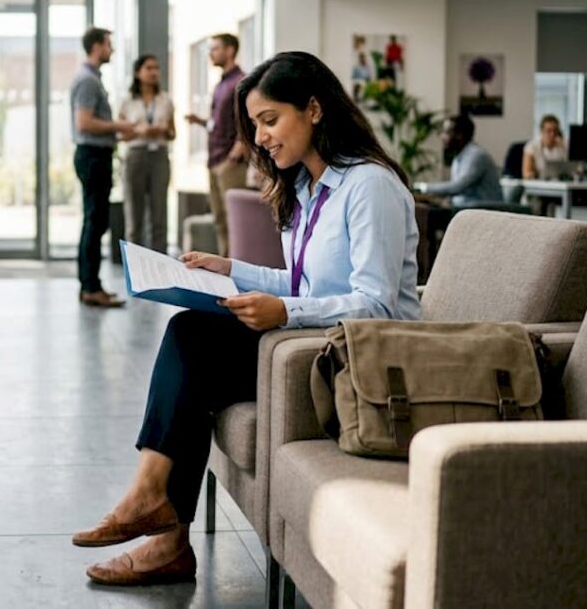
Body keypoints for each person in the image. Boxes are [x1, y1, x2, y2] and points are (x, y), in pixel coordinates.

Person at [72, 51, 420, 586]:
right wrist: (230, 269)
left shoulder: (368, 186)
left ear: (314, 110)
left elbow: (375, 303)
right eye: (255, 125)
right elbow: (305, 284)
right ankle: (159, 521)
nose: (260, 138)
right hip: (315, 342)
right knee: (191, 336)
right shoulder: (305, 189)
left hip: (359, 359)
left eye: (269, 120)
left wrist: (283, 311)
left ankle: (155, 511)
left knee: (193, 344)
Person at [71, 27, 135, 308]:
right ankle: (90, 287)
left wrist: (116, 133)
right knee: (94, 222)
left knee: (95, 221)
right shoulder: (87, 81)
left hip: (97, 154)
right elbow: (84, 123)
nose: (112, 49)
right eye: (109, 44)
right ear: (97, 46)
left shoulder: (92, 79)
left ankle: (91, 284)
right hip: (93, 157)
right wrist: (119, 126)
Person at [185, 34, 247, 257]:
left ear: (230, 51)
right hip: (215, 159)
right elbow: (219, 123)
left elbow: (247, 118)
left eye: (215, 48)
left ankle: (236, 274)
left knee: (234, 223)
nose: (210, 53)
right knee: (220, 221)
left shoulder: (240, 81)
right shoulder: (222, 83)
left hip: (230, 162)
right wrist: (200, 121)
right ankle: (224, 273)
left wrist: (240, 146)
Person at [118, 54, 175, 253]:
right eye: (148, 68)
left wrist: (161, 130)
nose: (153, 72)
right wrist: (138, 131)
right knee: (134, 217)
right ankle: (134, 269)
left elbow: (172, 133)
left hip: (159, 155)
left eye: (156, 68)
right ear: (137, 72)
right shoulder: (127, 101)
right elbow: (120, 135)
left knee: (159, 215)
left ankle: (159, 267)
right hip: (136, 156)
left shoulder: (165, 100)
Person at [415, 114, 502, 206]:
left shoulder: (476, 155)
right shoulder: (459, 156)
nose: (442, 137)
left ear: (459, 135)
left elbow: (458, 186)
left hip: (482, 210)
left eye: (446, 132)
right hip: (464, 208)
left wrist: (423, 188)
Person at [522, 114, 567, 180]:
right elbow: (526, 174)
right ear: (541, 131)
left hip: (559, 183)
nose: (552, 134)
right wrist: (539, 173)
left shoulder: (564, 145)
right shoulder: (531, 146)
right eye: (549, 131)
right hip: (539, 184)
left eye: (555, 130)